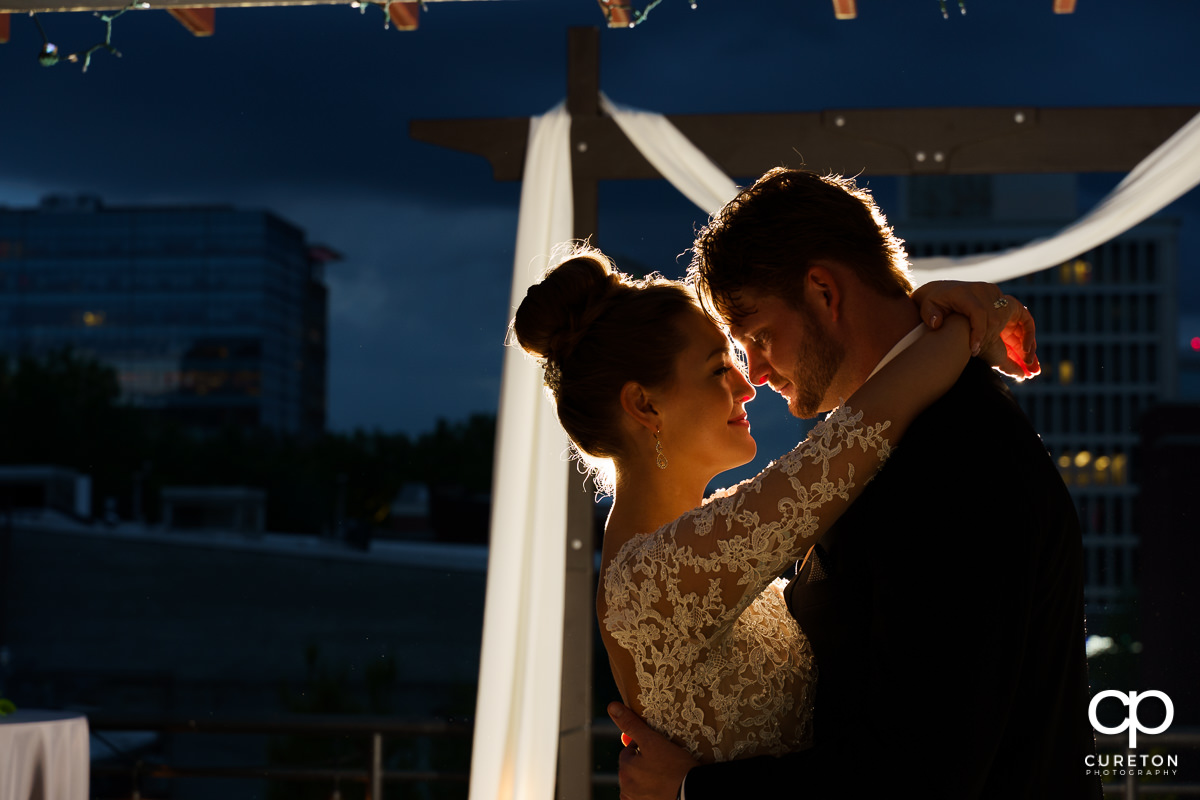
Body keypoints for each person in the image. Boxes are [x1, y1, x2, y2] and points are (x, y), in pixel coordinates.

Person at [607, 169, 1100, 799]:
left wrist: (692, 791)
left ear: (822, 291)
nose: (754, 372)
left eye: (757, 335)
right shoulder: (894, 443)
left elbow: (920, 774)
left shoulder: (951, 460)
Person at [512, 240, 1036, 773]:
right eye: (719, 368)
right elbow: (870, 423)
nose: (747, 385)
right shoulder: (657, 572)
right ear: (645, 405)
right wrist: (970, 314)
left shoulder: (687, 546)